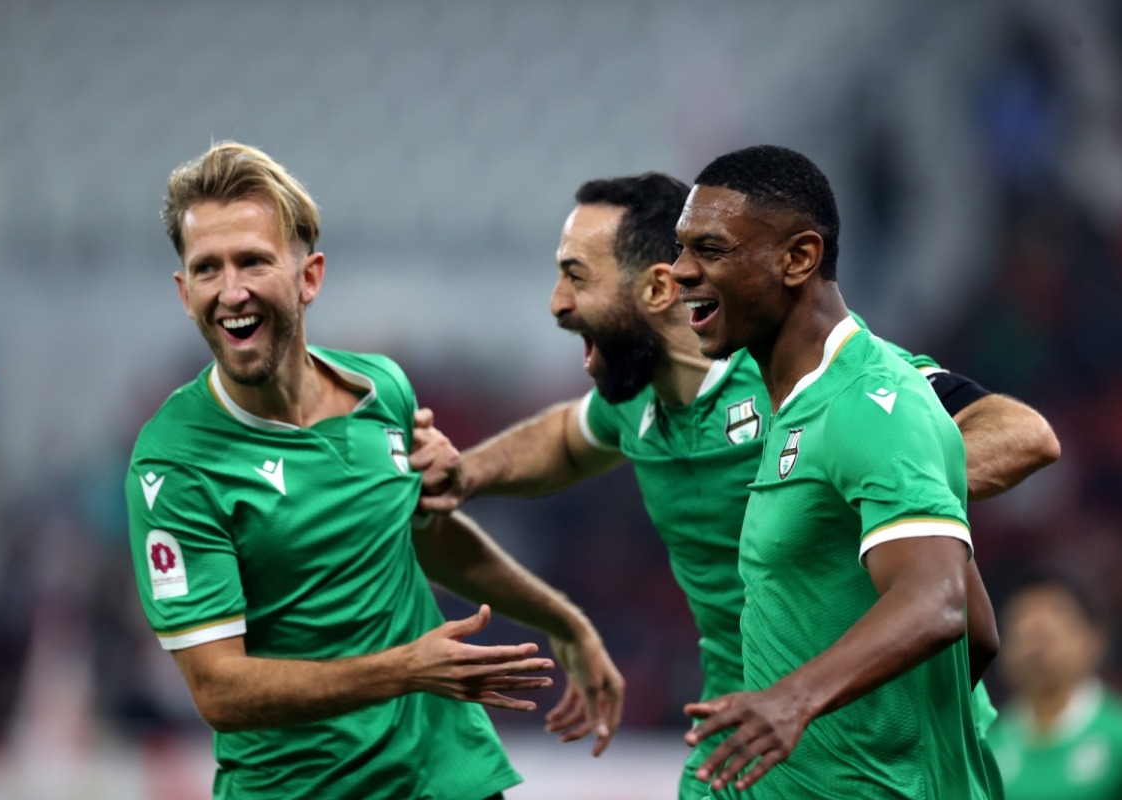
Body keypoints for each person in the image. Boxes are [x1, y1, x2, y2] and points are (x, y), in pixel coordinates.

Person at [416, 170, 1059, 798]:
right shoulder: (636, 400)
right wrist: (468, 472)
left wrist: (876, 498)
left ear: (659, 288)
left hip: (874, 724)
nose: (557, 303)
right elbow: (565, 437)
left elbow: (1024, 434)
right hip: (740, 726)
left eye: (577, 277)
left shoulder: (816, 383)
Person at [124, 141, 623, 800]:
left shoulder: (383, 388)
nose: (232, 290)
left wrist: (565, 622)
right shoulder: (174, 464)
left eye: (252, 261)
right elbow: (220, 690)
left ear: (309, 277)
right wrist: (407, 670)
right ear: (185, 294)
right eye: (208, 269)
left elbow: (429, 537)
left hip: (451, 778)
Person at [659, 143, 998, 797]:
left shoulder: (872, 405)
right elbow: (979, 632)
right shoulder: (786, 400)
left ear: (799, 258)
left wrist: (796, 701)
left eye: (709, 249)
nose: (680, 271)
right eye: (680, 248)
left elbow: (938, 602)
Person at [988, 572, 1122, 799]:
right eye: (1024, 632)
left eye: (1047, 634)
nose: (1036, 648)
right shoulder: (986, 748)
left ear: (1094, 639)